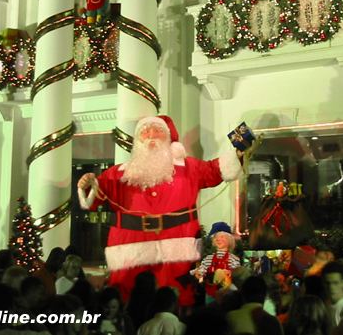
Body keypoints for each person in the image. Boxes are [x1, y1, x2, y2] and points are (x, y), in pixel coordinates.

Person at [77, 115, 242, 300]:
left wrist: (238, 154)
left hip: (176, 247)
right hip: (129, 248)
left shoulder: (189, 168)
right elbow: (95, 199)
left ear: (169, 138)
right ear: (137, 140)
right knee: (126, 297)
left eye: (158, 131)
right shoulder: (118, 173)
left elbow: (214, 170)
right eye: (145, 131)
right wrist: (89, 184)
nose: (151, 135)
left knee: (178, 296)